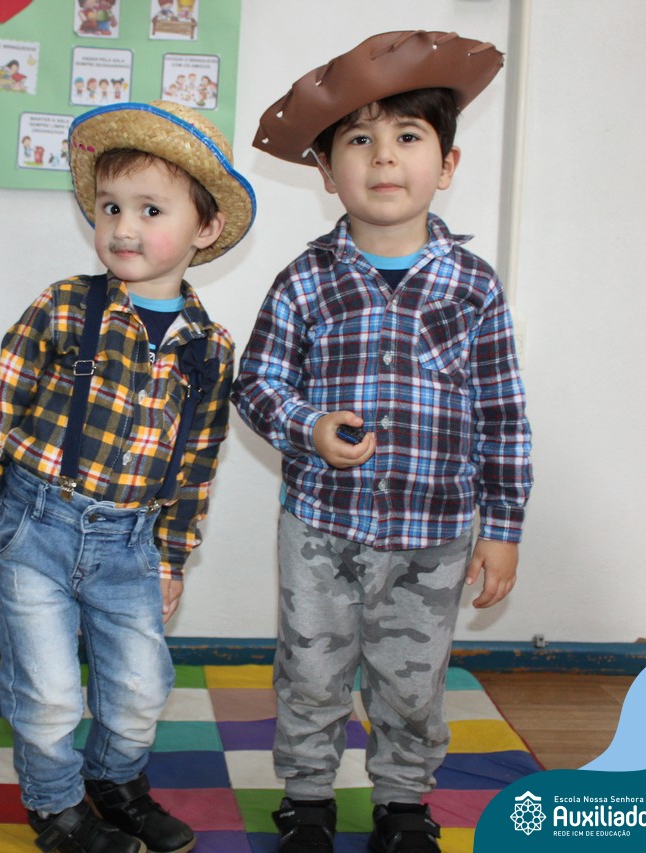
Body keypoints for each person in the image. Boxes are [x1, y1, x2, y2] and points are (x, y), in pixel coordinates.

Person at [233, 31, 532, 853]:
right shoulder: (306, 279)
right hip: (322, 528)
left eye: (407, 135)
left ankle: (403, 802)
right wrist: (308, 427)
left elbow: (503, 411)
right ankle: (307, 799)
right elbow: (255, 384)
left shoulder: (473, 286)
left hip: (434, 535)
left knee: (412, 679)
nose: (385, 156)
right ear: (328, 174)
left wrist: (504, 526)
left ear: (448, 162)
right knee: (311, 669)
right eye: (359, 140)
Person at [0, 100, 255, 853]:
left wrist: (172, 556)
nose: (122, 228)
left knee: (142, 686)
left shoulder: (209, 349)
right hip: (35, 526)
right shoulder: (64, 306)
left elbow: (197, 463)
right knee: (48, 691)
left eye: (151, 209)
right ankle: (55, 807)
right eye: (110, 207)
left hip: (131, 544)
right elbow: (0, 405)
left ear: (205, 228)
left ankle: (114, 782)